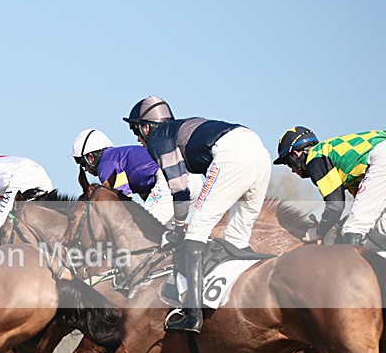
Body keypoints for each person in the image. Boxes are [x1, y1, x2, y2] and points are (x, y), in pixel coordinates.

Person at [123, 96, 271, 334]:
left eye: (136, 131)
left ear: (146, 126)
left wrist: (180, 225)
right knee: (237, 238)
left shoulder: (159, 137)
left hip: (232, 153)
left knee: (196, 231)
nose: (139, 140)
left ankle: (192, 314)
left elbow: (180, 189)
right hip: (258, 149)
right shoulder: (179, 128)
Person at [274, 126, 386, 246]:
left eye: (288, 163)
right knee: (380, 227)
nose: (292, 170)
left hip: (381, 155)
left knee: (354, 227)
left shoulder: (315, 158)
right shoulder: (348, 169)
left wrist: (318, 231)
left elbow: (336, 206)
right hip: (379, 154)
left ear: (296, 154)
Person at [71, 129, 203, 225]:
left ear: (90, 157)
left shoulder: (105, 164)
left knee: (141, 229)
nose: (86, 170)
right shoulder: (118, 156)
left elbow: (119, 203)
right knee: (169, 236)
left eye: (82, 163)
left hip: (170, 179)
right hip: (191, 178)